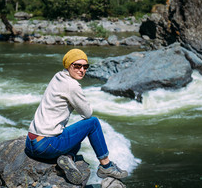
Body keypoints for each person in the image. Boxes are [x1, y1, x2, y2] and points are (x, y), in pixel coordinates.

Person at [25, 48, 128, 185]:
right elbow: (87, 113)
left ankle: (68, 158)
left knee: (76, 134)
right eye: (77, 66)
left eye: (85, 67)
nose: (82, 70)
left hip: (30, 143)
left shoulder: (58, 77)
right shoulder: (72, 85)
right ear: (68, 66)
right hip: (46, 146)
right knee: (92, 123)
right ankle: (106, 166)